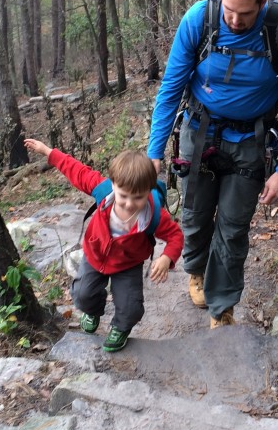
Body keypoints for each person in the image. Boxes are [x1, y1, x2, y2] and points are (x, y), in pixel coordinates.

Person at [147, 0, 278, 328]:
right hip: (199, 131)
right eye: (230, 10)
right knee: (194, 214)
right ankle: (197, 271)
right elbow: (170, 88)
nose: (235, 21)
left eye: (245, 14)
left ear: (264, 1)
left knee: (234, 226)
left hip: (251, 139)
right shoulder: (199, 20)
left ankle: (222, 307)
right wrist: (154, 153)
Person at [23, 140, 184, 352]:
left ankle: (121, 327)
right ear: (114, 184)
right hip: (95, 255)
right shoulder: (103, 191)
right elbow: (77, 171)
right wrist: (48, 152)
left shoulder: (153, 213)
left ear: (148, 191)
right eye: (123, 195)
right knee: (82, 295)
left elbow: (175, 235)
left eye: (138, 198)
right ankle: (93, 310)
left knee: (131, 308)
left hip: (128, 262)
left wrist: (166, 257)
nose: (128, 203)